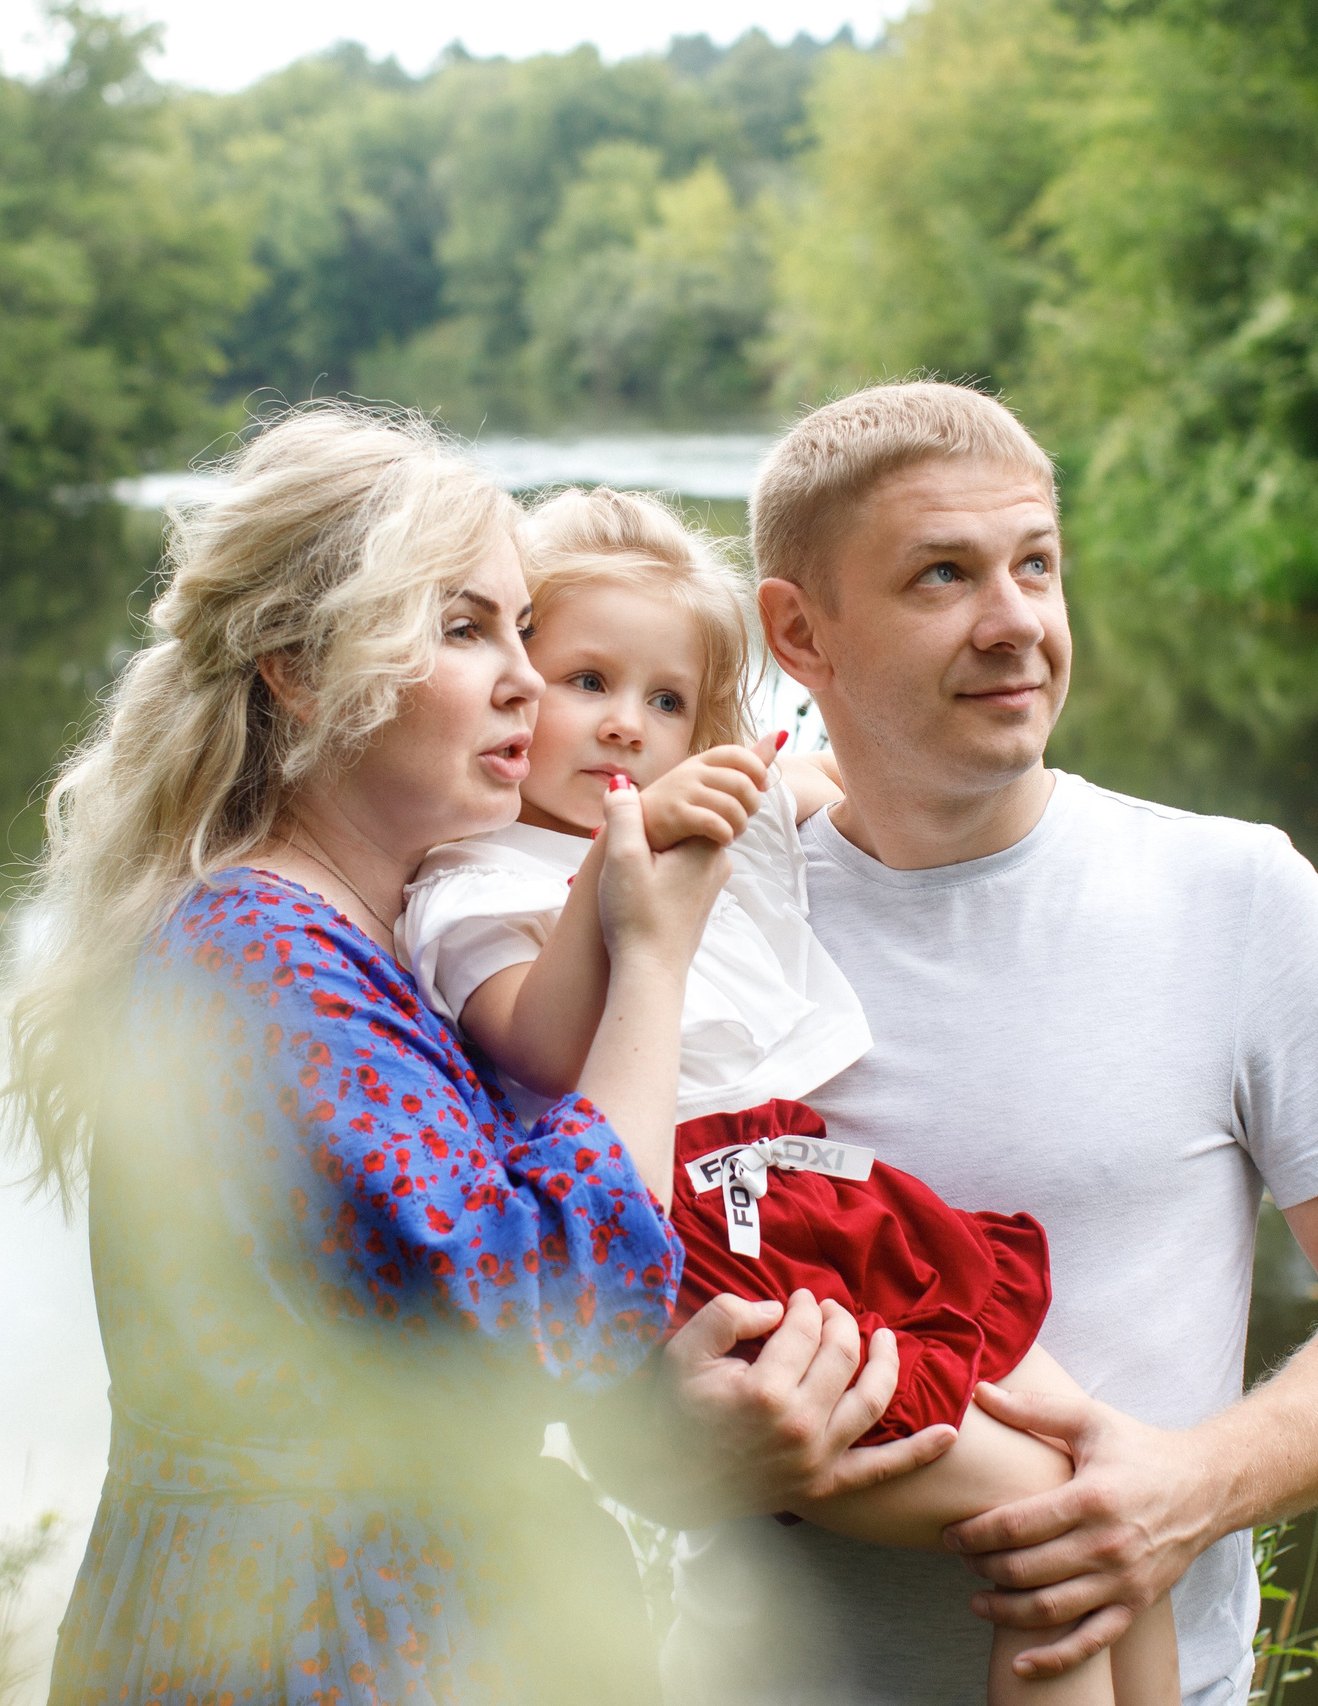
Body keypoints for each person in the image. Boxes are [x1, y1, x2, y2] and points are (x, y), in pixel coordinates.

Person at [589, 382, 1318, 1704]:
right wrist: (667, 1447)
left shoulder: (1237, 895)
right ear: (799, 629)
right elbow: (557, 1340)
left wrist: (1193, 1488)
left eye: (1037, 566)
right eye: (942, 575)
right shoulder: (674, 908)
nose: (1015, 623)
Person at [393, 487, 1179, 1706]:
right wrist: (623, 857)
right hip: (702, 1232)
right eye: (585, 679)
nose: (624, 727)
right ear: (509, 686)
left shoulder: (716, 809)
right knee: (1046, 1525)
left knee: (1125, 1498)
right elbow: (537, 1045)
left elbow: (834, 780)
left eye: (664, 700)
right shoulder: (476, 881)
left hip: (803, 1193)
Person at [0, 407, 737, 1704]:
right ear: (295, 661)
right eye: (464, 628)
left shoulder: (345, 935)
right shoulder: (268, 957)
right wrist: (653, 962)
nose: (524, 676)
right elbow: (555, 1309)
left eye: (521, 626)